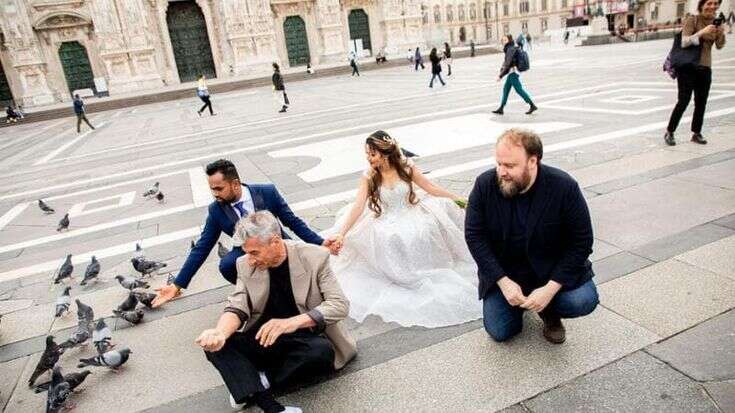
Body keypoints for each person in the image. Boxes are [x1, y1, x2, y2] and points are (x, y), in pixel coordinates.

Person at [198, 211, 356, 412]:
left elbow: (339, 304)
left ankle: (251, 380)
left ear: (275, 241)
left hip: (305, 339)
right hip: (264, 338)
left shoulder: (314, 256)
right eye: (246, 252)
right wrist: (219, 333)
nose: (250, 260)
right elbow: (237, 305)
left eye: (254, 252)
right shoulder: (244, 264)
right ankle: (272, 407)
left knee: (321, 352)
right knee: (213, 343)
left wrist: (290, 323)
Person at [324, 131, 481, 327]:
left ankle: (424, 268)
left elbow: (430, 187)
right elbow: (358, 206)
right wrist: (343, 233)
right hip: (386, 217)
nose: (368, 158)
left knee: (422, 230)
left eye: (372, 154)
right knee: (389, 236)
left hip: (411, 211)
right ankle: (399, 276)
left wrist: (458, 199)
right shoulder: (369, 175)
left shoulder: (406, 167)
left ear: (385, 153)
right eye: (367, 153)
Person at [465, 129, 599, 344]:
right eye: (499, 163)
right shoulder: (484, 185)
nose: (501, 172)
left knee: (582, 301)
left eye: (510, 165)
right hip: (506, 273)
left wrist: (549, 289)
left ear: (533, 161)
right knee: (500, 332)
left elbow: (581, 242)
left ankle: (549, 311)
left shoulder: (564, 187)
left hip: (550, 271)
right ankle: (518, 305)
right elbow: (474, 236)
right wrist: (503, 282)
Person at [151, 159, 335, 308]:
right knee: (227, 264)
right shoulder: (216, 210)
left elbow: (292, 221)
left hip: (276, 244)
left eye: (219, 188)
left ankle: (290, 288)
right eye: (212, 189)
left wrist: (320, 242)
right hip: (247, 250)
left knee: (294, 263)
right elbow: (202, 247)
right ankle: (259, 294)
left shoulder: (267, 192)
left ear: (235, 184)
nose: (215, 194)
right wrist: (177, 285)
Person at [664, 0, 726, 146]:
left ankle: (696, 133)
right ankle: (670, 131)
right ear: (702, 4)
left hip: (705, 67)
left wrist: (721, 31)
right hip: (688, 67)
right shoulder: (692, 19)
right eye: (709, 3)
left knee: (701, 102)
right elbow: (684, 42)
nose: (712, 6)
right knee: (683, 101)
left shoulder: (716, 22)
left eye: (715, 3)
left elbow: (719, 45)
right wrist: (702, 32)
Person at [492, 35, 537, 115]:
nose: (503, 41)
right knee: (506, 89)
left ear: (509, 40)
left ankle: (532, 105)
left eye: (505, 40)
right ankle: (501, 108)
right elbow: (506, 63)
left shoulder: (510, 49)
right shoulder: (510, 48)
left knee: (519, 90)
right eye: (502, 40)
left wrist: (500, 76)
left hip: (513, 72)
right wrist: (502, 71)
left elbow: (508, 64)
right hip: (511, 72)